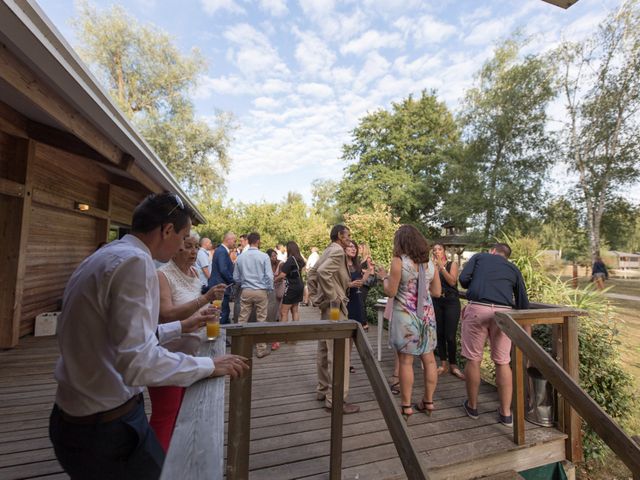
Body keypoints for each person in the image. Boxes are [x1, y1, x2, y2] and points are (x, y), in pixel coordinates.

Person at [49, 192, 249, 479]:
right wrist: (208, 366)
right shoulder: (136, 263)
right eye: (183, 236)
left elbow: (120, 335)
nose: (184, 245)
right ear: (167, 230)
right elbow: (137, 362)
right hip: (105, 426)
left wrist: (182, 326)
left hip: (72, 416)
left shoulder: (104, 256)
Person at [150, 231, 226, 451]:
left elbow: (192, 307)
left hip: (194, 353)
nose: (194, 252)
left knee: (184, 412)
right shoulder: (162, 275)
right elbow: (165, 314)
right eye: (189, 246)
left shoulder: (194, 273)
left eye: (196, 247)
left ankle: (177, 458)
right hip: (168, 355)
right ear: (176, 248)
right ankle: (156, 465)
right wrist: (205, 299)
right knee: (166, 415)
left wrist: (208, 310)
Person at [459, 242, 529, 427]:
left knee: (474, 359)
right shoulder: (513, 268)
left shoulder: (480, 257)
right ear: (506, 256)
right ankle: (506, 413)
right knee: (503, 361)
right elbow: (522, 301)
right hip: (503, 314)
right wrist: (527, 330)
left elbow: (463, 279)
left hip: (477, 309)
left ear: (492, 251)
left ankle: (473, 407)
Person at [377, 225, 441, 420]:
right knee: (429, 360)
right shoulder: (430, 264)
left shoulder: (399, 262)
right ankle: (428, 402)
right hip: (427, 317)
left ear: (401, 242)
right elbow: (437, 292)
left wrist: (383, 278)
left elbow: (391, 292)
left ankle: (406, 406)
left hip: (406, 317)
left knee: (406, 361)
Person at [307, 225, 359, 414]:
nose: (350, 239)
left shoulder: (328, 250)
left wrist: (315, 296)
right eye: (348, 236)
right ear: (339, 235)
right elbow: (321, 273)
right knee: (339, 352)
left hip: (326, 309)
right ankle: (336, 399)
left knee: (324, 348)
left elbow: (312, 273)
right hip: (336, 308)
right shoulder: (338, 252)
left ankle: (322, 390)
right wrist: (333, 296)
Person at [233, 232, 274, 358]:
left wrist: (244, 282)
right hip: (261, 291)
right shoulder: (264, 256)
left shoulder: (241, 257)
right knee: (261, 320)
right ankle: (260, 349)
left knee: (242, 319)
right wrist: (269, 288)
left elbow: (236, 277)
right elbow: (269, 276)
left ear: (248, 241)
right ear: (258, 241)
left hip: (246, 290)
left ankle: (239, 348)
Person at [431, 243, 464, 380]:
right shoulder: (431, 266)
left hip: (451, 302)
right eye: (435, 250)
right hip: (437, 301)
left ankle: (454, 365)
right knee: (439, 333)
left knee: (450, 335)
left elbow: (452, 281)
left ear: (444, 251)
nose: (437, 251)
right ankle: (443, 364)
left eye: (439, 249)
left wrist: (442, 267)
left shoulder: (452, 264)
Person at [208, 232, 236, 324]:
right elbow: (223, 269)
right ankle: (220, 334)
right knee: (221, 312)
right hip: (220, 286)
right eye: (234, 241)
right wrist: (232, 280)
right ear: (229, 240)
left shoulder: (221, 250)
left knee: (223, 311)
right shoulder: (222, 251)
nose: (235, 243)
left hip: (219, 284)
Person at [276, 241, 306, 322]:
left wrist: (274, 280)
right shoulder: (300, 260)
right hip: (299, 285)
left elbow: (282, 275)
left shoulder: (290, 260)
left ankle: (284, 333)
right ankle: (296, 331)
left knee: (283, 312)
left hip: (291, 287)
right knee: (295, 310)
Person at [345, 240, 370, 328]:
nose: (354, 249)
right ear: (344, 249)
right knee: (345, 329)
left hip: (356, 299)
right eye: (351, 246)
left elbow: (362, 281)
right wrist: (350, 285)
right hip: (345, 300)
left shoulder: (356, 264)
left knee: (354, 331)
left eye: (355, 247)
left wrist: (369, 269)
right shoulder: (341, 264)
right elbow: (336, 283)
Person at [266, 248, 284, 350]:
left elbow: (282, 276)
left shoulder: (281, 264)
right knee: (273, 312)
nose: (274, 257)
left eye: (275, 255)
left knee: (280, 312)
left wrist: (273, 280)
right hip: (272, 291)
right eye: (272, 256)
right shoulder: (267, 264)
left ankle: (278, 337)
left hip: (280, 289)